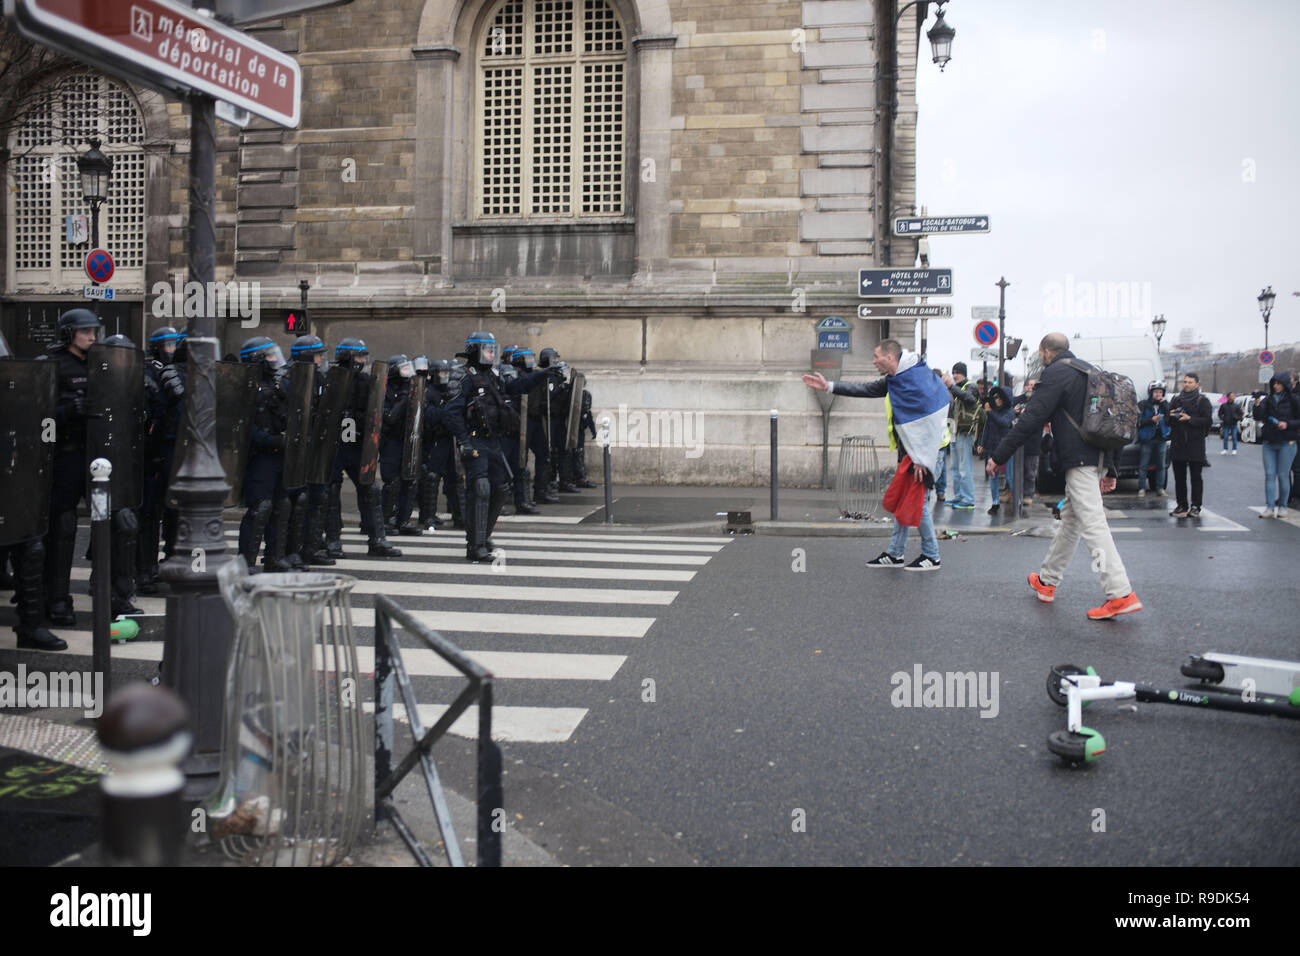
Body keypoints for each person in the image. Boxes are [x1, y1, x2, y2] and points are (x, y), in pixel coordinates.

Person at [986, 333, 1141, 620]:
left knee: (1094, 524)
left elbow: (1031, 418)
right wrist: (1112, 469)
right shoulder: (1092, 372)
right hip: (1098, 456)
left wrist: (999, 455)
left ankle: (1119, 592)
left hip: (1078, 460)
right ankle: (1047, 581)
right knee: (1070, 521)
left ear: (1046, 352)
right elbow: (1114, 421)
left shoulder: (1057, 373)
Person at [804, 339, 950, 571]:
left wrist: (923, 457)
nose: (873, 361)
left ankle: (932, 556)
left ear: (890, 358)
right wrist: (829, 386)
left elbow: (933, 419)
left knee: (918, 504)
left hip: (928, 454)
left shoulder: (916, 379)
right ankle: (895, 554)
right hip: (913, 453)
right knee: (904, 501)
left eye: (876, 356)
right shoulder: (898, 379)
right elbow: (867, 389)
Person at [1253, 374, 1300, 518]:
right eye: (1274, 383)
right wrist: (1257, 403)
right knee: (1269, 475)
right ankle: (1269, 507)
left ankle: (1283, 507)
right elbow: (1259, 416)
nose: (1275, 386)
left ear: (1285, 384)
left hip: (1287, 442)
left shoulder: (1294, 400)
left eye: (1279, 383)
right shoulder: (1268, 399)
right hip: (1269, 441)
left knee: (1283, 475)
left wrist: (1287, 424)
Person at [1167, 372, 1212, 519]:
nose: (1186, 384)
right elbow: (1168, 420)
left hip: (1195, 444)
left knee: (1196, 477)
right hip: (1178, 443)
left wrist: (1190, 418)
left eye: (1190, 382)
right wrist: (1172, 415)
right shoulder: (1176, 399)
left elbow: (1207, 421)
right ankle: (1182, 505)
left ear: (1197, 384)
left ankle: (1196, 506)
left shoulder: (1202, 401)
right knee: (1179, 478)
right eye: (1185, 382)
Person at [944, 361, 982, 510]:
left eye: (957, 372)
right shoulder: (956, 388)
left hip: (964, 432)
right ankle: (959, 495)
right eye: (953, 373)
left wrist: (951, 387)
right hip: (953, 431)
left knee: (964, 467)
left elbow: (970, 399)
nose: (955, 375)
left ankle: (968, 498)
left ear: (964, 373)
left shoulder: (970, 387)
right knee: (954, 467)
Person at [977, 386, 1013, 514]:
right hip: (993, 448)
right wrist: (982, 443)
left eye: (999, 397)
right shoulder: (992, 411)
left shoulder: (1009, 411)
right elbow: (987, 428)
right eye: (995, 397)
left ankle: (1016, 499)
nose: (996, 400)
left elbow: (1003, 423)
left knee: (1010, 476)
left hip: (1006, 448)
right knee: (993, 476)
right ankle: (995, 502)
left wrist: (990, 413)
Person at [1136, 382, 1170, 498]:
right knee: (1143, 465)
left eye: (1160, 392)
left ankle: (1160, 488)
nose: (1158, 395)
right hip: (1147, 438)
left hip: (1161, 438)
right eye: (1156, 392)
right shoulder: (1143, 404)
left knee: (1161, 465)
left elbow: (1170, 418)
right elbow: (1138, 422)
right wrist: (1151, 419)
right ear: (1151, 393)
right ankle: (1141, 488)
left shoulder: (1164, 405)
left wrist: (1165, 404)